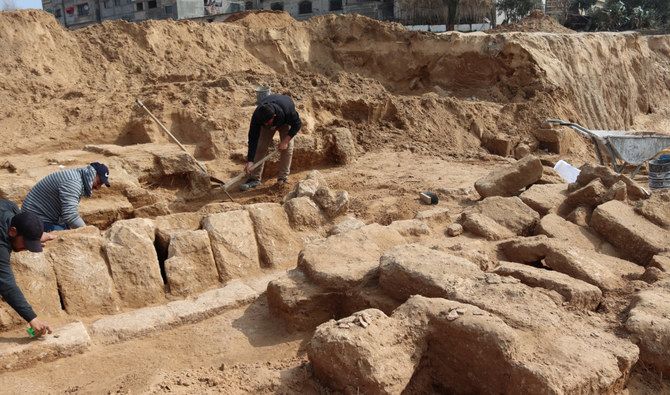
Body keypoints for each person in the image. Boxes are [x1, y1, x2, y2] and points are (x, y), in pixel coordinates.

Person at [0, 200, 53, 336]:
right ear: (12, 231)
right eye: (26, 243)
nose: (27, 248)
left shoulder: (9, 208)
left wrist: (33, 236)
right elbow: (7, 284)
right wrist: (32, 318)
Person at [21, 162, 110, 231]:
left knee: (70, 230)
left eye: (100, 185)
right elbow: (70, 215)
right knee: (63, 235)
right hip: (33, 218)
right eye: (98, 183)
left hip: (48, 217)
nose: (98, 188)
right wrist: (89, 232)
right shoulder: (73, 183)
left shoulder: (79, 178)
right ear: (92, 174)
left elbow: (67, 212)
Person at [239, 94, 302, 191]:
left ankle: (282, 178)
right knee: (260, 147)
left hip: (285, 122)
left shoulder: (288, 110)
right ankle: (254, 179)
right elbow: (252, 137)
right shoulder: (258, 116)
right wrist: (250, 160)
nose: (265, 124)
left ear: (274, 116)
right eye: (263, 123)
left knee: (287, 148)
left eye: (267, 122)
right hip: (268, 123)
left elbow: (297, 125)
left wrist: (285, 141)